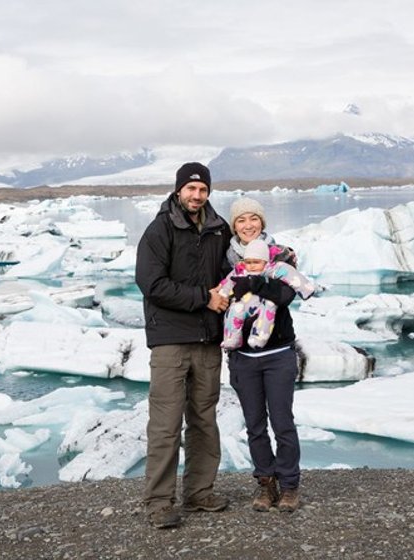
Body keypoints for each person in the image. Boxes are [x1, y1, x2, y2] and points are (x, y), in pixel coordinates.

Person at [135, 162, 232, 529]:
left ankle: (199, 492)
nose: (196, 195)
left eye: (202, 190)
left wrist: (277, 259)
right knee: (165, 423)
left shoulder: (219, 229)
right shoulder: (159, 229)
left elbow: (234, 271)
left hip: (208, 340)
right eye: (190, 189)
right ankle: (159, 502)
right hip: (171, 342)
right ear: (179, 191)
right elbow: (151, 283)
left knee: (205, 420)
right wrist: (201, 298)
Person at [224, 197, 309, 513]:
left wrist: (250, 283)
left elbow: (285, 295)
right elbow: (222, 293)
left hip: (278, 354)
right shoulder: (227, 260)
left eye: (253, 218)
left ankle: (289, 485)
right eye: (241, 220)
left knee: (283, 422)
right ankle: (265, 483)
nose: (248, 225)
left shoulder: (282, 256)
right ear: (234, 226)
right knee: (255, 425)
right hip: (243, 358)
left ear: (262, 222)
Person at [218, 238, 315, 350]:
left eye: (256, 262)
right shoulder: (240, 270)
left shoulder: (272, 269)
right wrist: (222, 293)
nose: (252, 266)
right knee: (234, 311)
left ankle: (259, 338)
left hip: (263, 302)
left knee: (268, 309)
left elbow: (290, 274)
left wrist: (306, 289)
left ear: (265, 261)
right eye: (248, 262)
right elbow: (229, 281)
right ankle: (232, 340)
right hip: (244, 303)